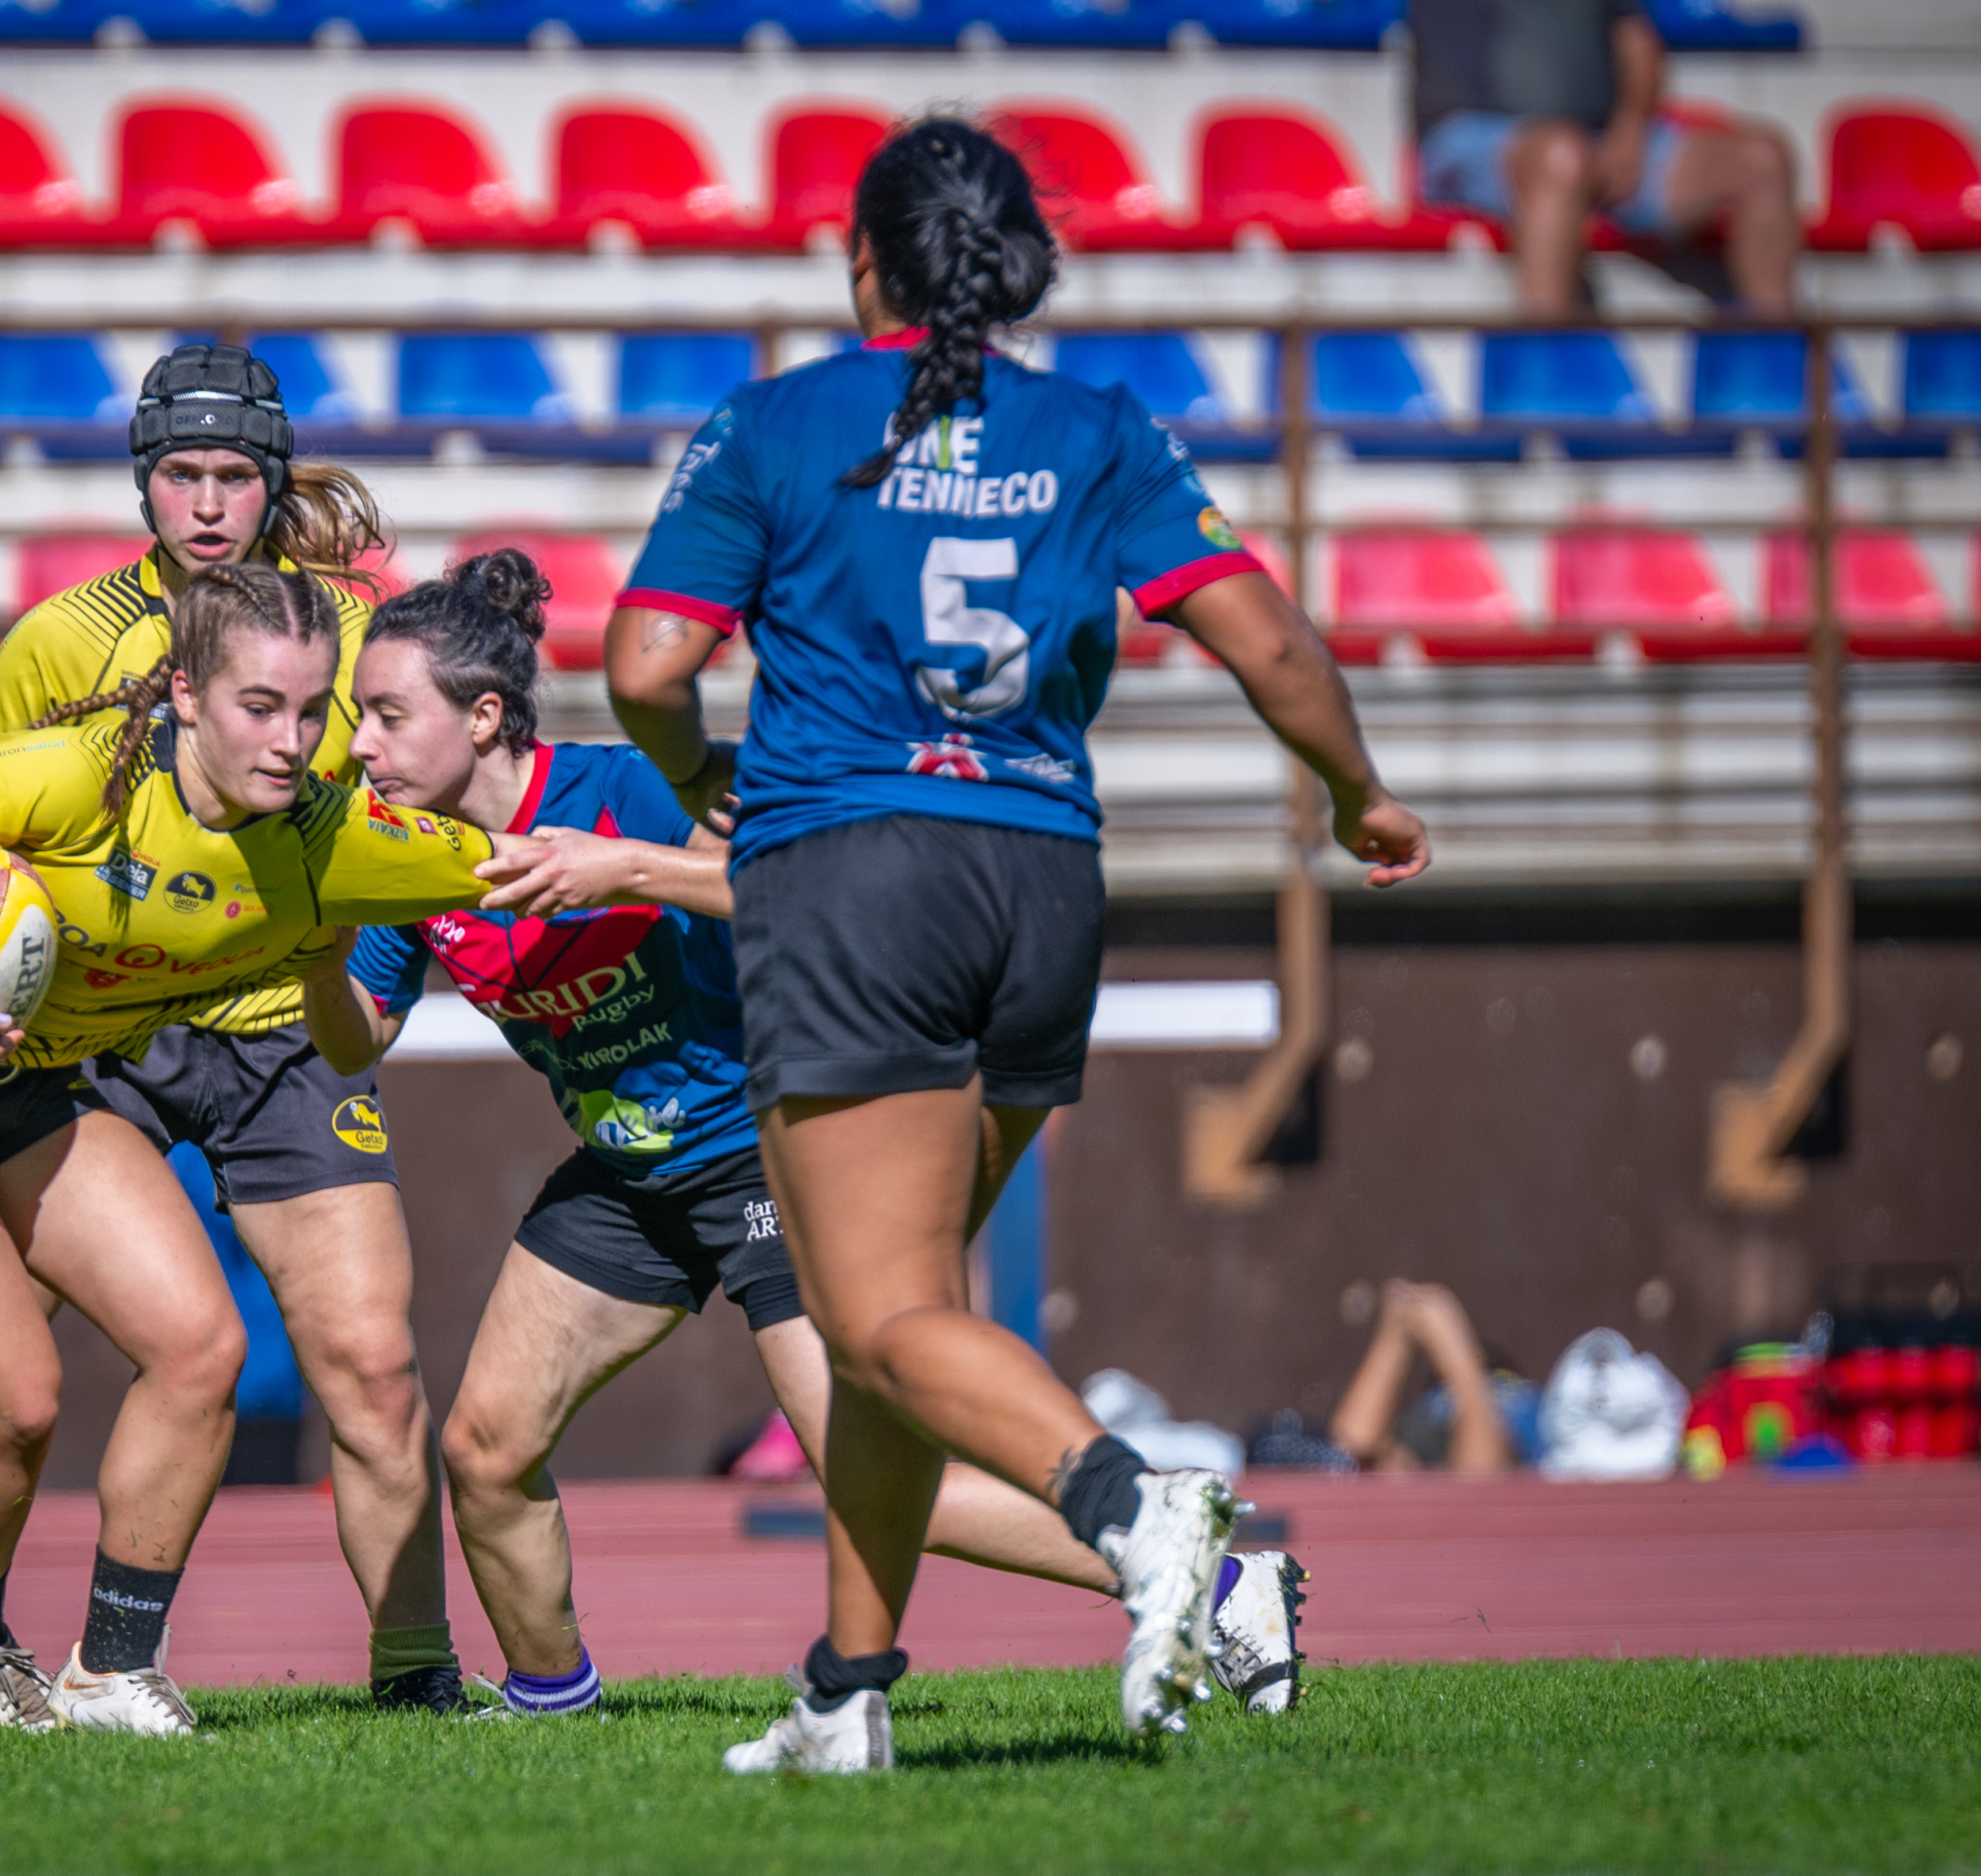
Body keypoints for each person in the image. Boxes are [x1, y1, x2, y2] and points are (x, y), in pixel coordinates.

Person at [606, 118, 1431, 1769]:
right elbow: (1265, 635)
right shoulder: (1098, 428)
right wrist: (1360, 799)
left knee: (887, 1315)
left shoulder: (777, 420)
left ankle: (1142, 1515)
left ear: (863, 265)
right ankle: (845, 1696)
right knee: (887, 1325)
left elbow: (641, 659)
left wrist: (704, 779)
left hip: (854, 875)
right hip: (1045, 883)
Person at [319, 548, 1309, 1722]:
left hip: (772, 1147)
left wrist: (627, 868)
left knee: (870, 1476)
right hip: (631, 1176)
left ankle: (1213, 1575)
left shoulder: (627, 791)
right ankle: (551, 1710)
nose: (361, 748)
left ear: (484, 717)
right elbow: (353, 1041)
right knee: (484, 1449)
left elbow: (815, 884)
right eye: (358, 722)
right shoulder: (400, 860)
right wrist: (306, 945)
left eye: (386, 717)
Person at [0, 346, 480, 1724]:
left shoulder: (352, 634)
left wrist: (361, 977)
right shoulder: (65, 646)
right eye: (178, 475)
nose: (204, 504)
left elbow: (411, 833)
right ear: (142, 482)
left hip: (276, 1037)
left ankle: (413, 1672)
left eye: (232, 475)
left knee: (367, 1361)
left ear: (270, 480)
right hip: (101, 1026)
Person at [1410, 0, 1803, 315]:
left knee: (1762, 160)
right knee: (1561, 157)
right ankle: (1545, 381)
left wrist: (1629, 131)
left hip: (1590, 141)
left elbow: (1638, 43)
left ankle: (1773, 378)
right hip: (1470, 138)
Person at [1328, 1279, 1540, 1472]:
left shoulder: (1528, 1411)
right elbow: (1350, 1458)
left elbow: (1484, 1482)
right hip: (1434, 1445)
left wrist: (1456, 1353)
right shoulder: (1426, 1426)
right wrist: (1394, 1339)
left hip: (1508, 1443)